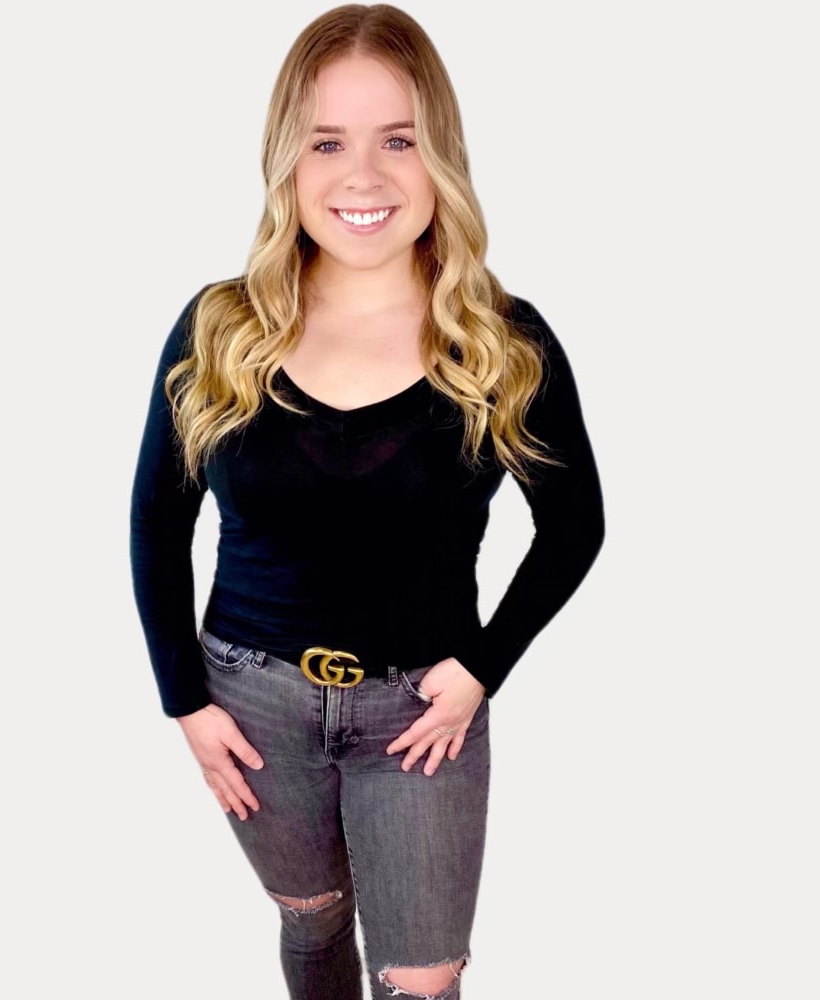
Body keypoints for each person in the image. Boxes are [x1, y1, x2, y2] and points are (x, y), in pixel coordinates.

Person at [130, 4, 604, 997]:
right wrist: (185, 700)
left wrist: (482, 669)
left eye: (398, 139)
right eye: (327, 142)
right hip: (251, 704)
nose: (363, 176)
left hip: (422, 715)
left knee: (421, 979)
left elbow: (574, 525)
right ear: (285, 161)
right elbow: (158, 522)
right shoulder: (221, 326)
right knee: (311, 917)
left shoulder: (502, 341)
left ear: (441, 157)